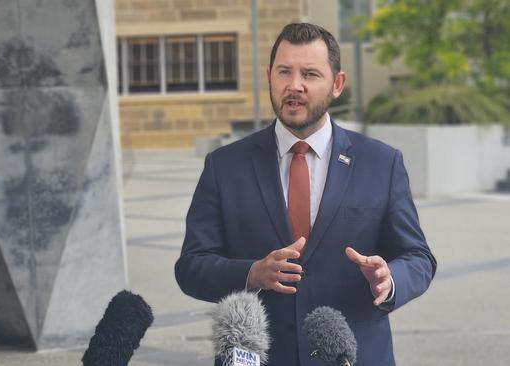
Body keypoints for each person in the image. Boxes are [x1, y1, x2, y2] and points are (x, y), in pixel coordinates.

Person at [175, 23, 436, 366]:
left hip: (352, 356)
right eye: (284, 71)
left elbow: (418, 257)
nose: (294, 85)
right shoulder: (224, 166)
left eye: (310, 74)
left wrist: (390, 280)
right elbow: (192, 266)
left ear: (337, 84)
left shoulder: (381, 163)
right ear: (269, 76)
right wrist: (251, 273)